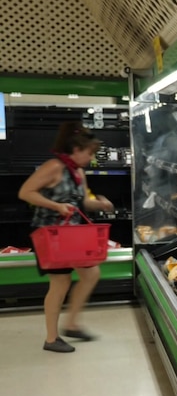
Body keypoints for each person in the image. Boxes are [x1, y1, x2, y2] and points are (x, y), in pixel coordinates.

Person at [18, 121, 114, 353]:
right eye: (89, 153)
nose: (91, 158)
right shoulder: (53, 167)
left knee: (91, 273)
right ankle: (51, 339)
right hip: (50, 236)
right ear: (76, 149)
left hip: (71, 236)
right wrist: (56, 206)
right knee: (59, 283)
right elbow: (25, 192)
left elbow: (82, 202)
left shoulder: (78, 171)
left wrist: (102, 204)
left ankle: (71, 324)